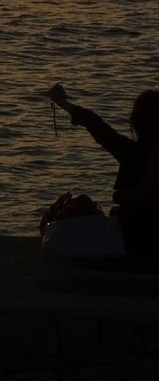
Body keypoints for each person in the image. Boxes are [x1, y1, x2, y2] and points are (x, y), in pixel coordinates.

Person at [48, 82, 159, 260]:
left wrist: (63, 103)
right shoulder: (134, 152)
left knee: (66, 223)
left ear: (137, 122)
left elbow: (96, 126)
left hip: (135, 240)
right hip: (141, 238)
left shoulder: (133, 153)